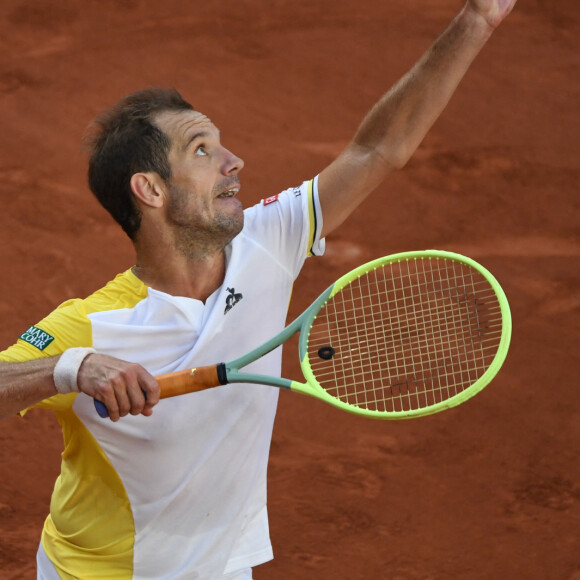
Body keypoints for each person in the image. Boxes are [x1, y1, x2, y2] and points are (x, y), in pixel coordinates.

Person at [0, 1, 518, 578]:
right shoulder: (94, 325)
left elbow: (377, 150)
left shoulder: (265, 243)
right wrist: (69, 369)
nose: (233, 161)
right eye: (202, 150)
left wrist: (477, 20)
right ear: (149, 189)